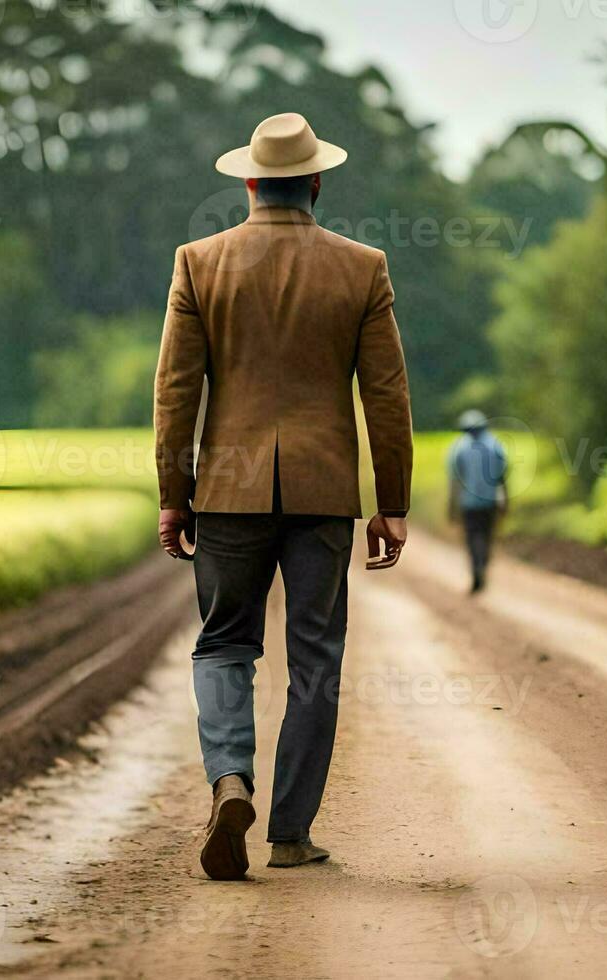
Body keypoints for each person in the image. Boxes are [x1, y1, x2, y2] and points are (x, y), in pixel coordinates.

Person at [153, 112, 414, 880]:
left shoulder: (199, 262)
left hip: (227, 491)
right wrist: (390, 501)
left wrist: (175, 493)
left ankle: (230, 777)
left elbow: (175, 392)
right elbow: (387, 396)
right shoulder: (362, 267)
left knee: (225, 641)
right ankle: (290, 834)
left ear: (248, 182)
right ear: (318, 183)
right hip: (322, 494)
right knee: (315, 660)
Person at [447, 410, 508, 593]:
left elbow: (455, 481)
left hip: (469, 504)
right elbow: (502, 478)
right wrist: (506, 501)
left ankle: (477, 569)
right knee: (487, 537)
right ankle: (482, 566)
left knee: (473, 538)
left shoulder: (459, 449)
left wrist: (451, 506)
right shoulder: (496, 446)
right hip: (490, 502)